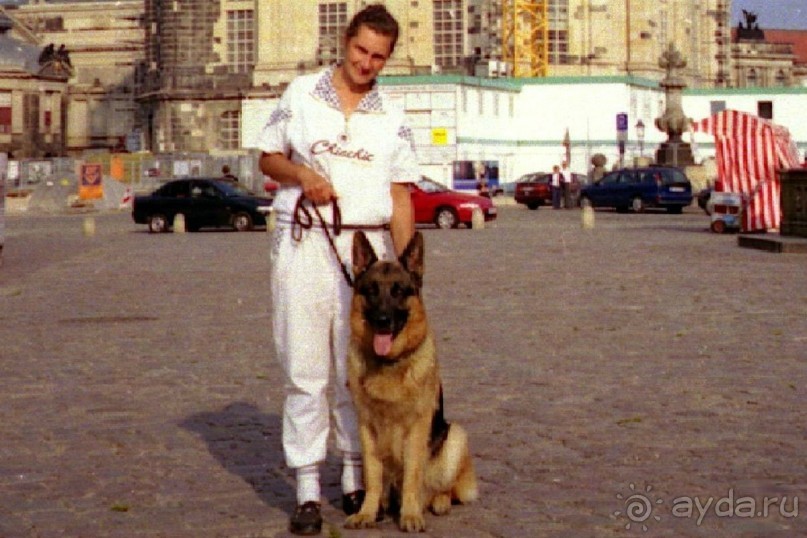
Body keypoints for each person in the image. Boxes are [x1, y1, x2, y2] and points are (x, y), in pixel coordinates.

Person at [255, 4, 418, 536]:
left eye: (378, 57)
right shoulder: (301, 94)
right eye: (360, 50)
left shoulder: (392, 113)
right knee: (305, 366)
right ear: (345, 42)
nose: (367, 63)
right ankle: (306, 485)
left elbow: (399, 193)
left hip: (367, 252)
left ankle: (355, 476)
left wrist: (409, 267)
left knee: (360, 369)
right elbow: (267, 158)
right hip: (306, 239)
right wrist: (303, 174)